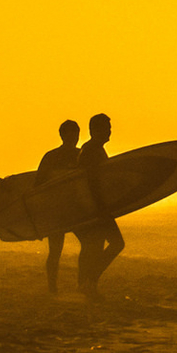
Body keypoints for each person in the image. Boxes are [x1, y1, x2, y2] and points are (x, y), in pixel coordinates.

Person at [72, 112, 125, 298]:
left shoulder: (94, 149)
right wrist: (100, 209)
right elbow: (91, 182)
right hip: (95, 208)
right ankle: (88, 282)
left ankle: (87, 285)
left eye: (110, 128)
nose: (110, 132)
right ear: (95, 130)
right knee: (114, 244)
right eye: (106, 128)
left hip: (96, 207)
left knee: (92, 247)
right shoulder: (91, 151)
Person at [34, 120, 81, 294]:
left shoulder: (81, 155)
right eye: (70, 134)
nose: (74, 138)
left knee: (89, 244)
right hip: (56, 211)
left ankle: (83, 283)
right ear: (62, 136)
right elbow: (38, 186)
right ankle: (52, 287)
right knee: (55, 251)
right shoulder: (51, 157)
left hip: (77, 209)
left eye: (76, 134)